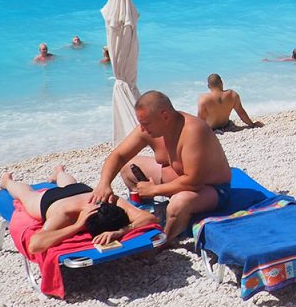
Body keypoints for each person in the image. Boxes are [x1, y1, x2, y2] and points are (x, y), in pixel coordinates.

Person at [92, 91, 233, 242]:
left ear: (165, 116)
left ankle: (164, 240)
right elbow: (118, 156)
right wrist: (104, 183)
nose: (142, 129)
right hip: (177, 179)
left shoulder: (193, 130)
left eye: (145, 124)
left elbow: (194, 182)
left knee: (178, 203)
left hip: (212, 189)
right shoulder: (150, 128)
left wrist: (154, 190)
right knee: (128, 167)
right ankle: (147, 213)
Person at [1, 166, 158, 254]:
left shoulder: (110, 201)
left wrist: (121, 231)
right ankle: (7, 181)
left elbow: (149, 218)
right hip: (52, 200)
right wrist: (76, 226)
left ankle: (59, 172)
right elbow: (35, 245)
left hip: (82, 191)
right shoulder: (64, 215)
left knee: (69, 186)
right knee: (27, 195)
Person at [196, 73, 263, 130]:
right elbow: (241, 113)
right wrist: (252, 124)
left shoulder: (204, 99)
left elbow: (200, 120)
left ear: (208, 86)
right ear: (222, 82)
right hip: (226, 126)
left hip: (211, 129)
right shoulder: (232, 95)